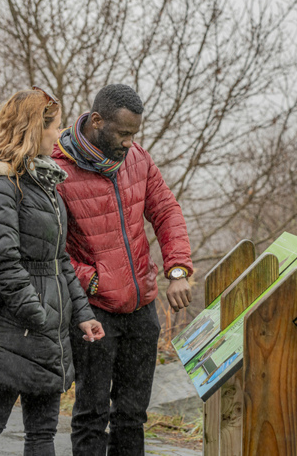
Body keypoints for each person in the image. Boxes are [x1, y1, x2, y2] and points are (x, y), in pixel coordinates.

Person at [0, 87, 105, 456]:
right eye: (54, 128)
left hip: (46, 329)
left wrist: (82, 315)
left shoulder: (43, 183)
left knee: (42, 434)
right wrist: (36, 312)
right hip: (8, 329)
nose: (59, 136)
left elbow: (58, 259)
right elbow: (2, 261)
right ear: (33, 129)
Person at [52, 84, 193, 456]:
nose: (130, 142)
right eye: (124, 133)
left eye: (135, 134)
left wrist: (177, 270)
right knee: (92, 414)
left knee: (132, 415)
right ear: (97, 121)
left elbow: (167, 212)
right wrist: (94, 280)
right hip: (93, 311)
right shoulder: (57, 171)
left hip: (141, 310)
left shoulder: (138, 160)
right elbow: (51, 251)